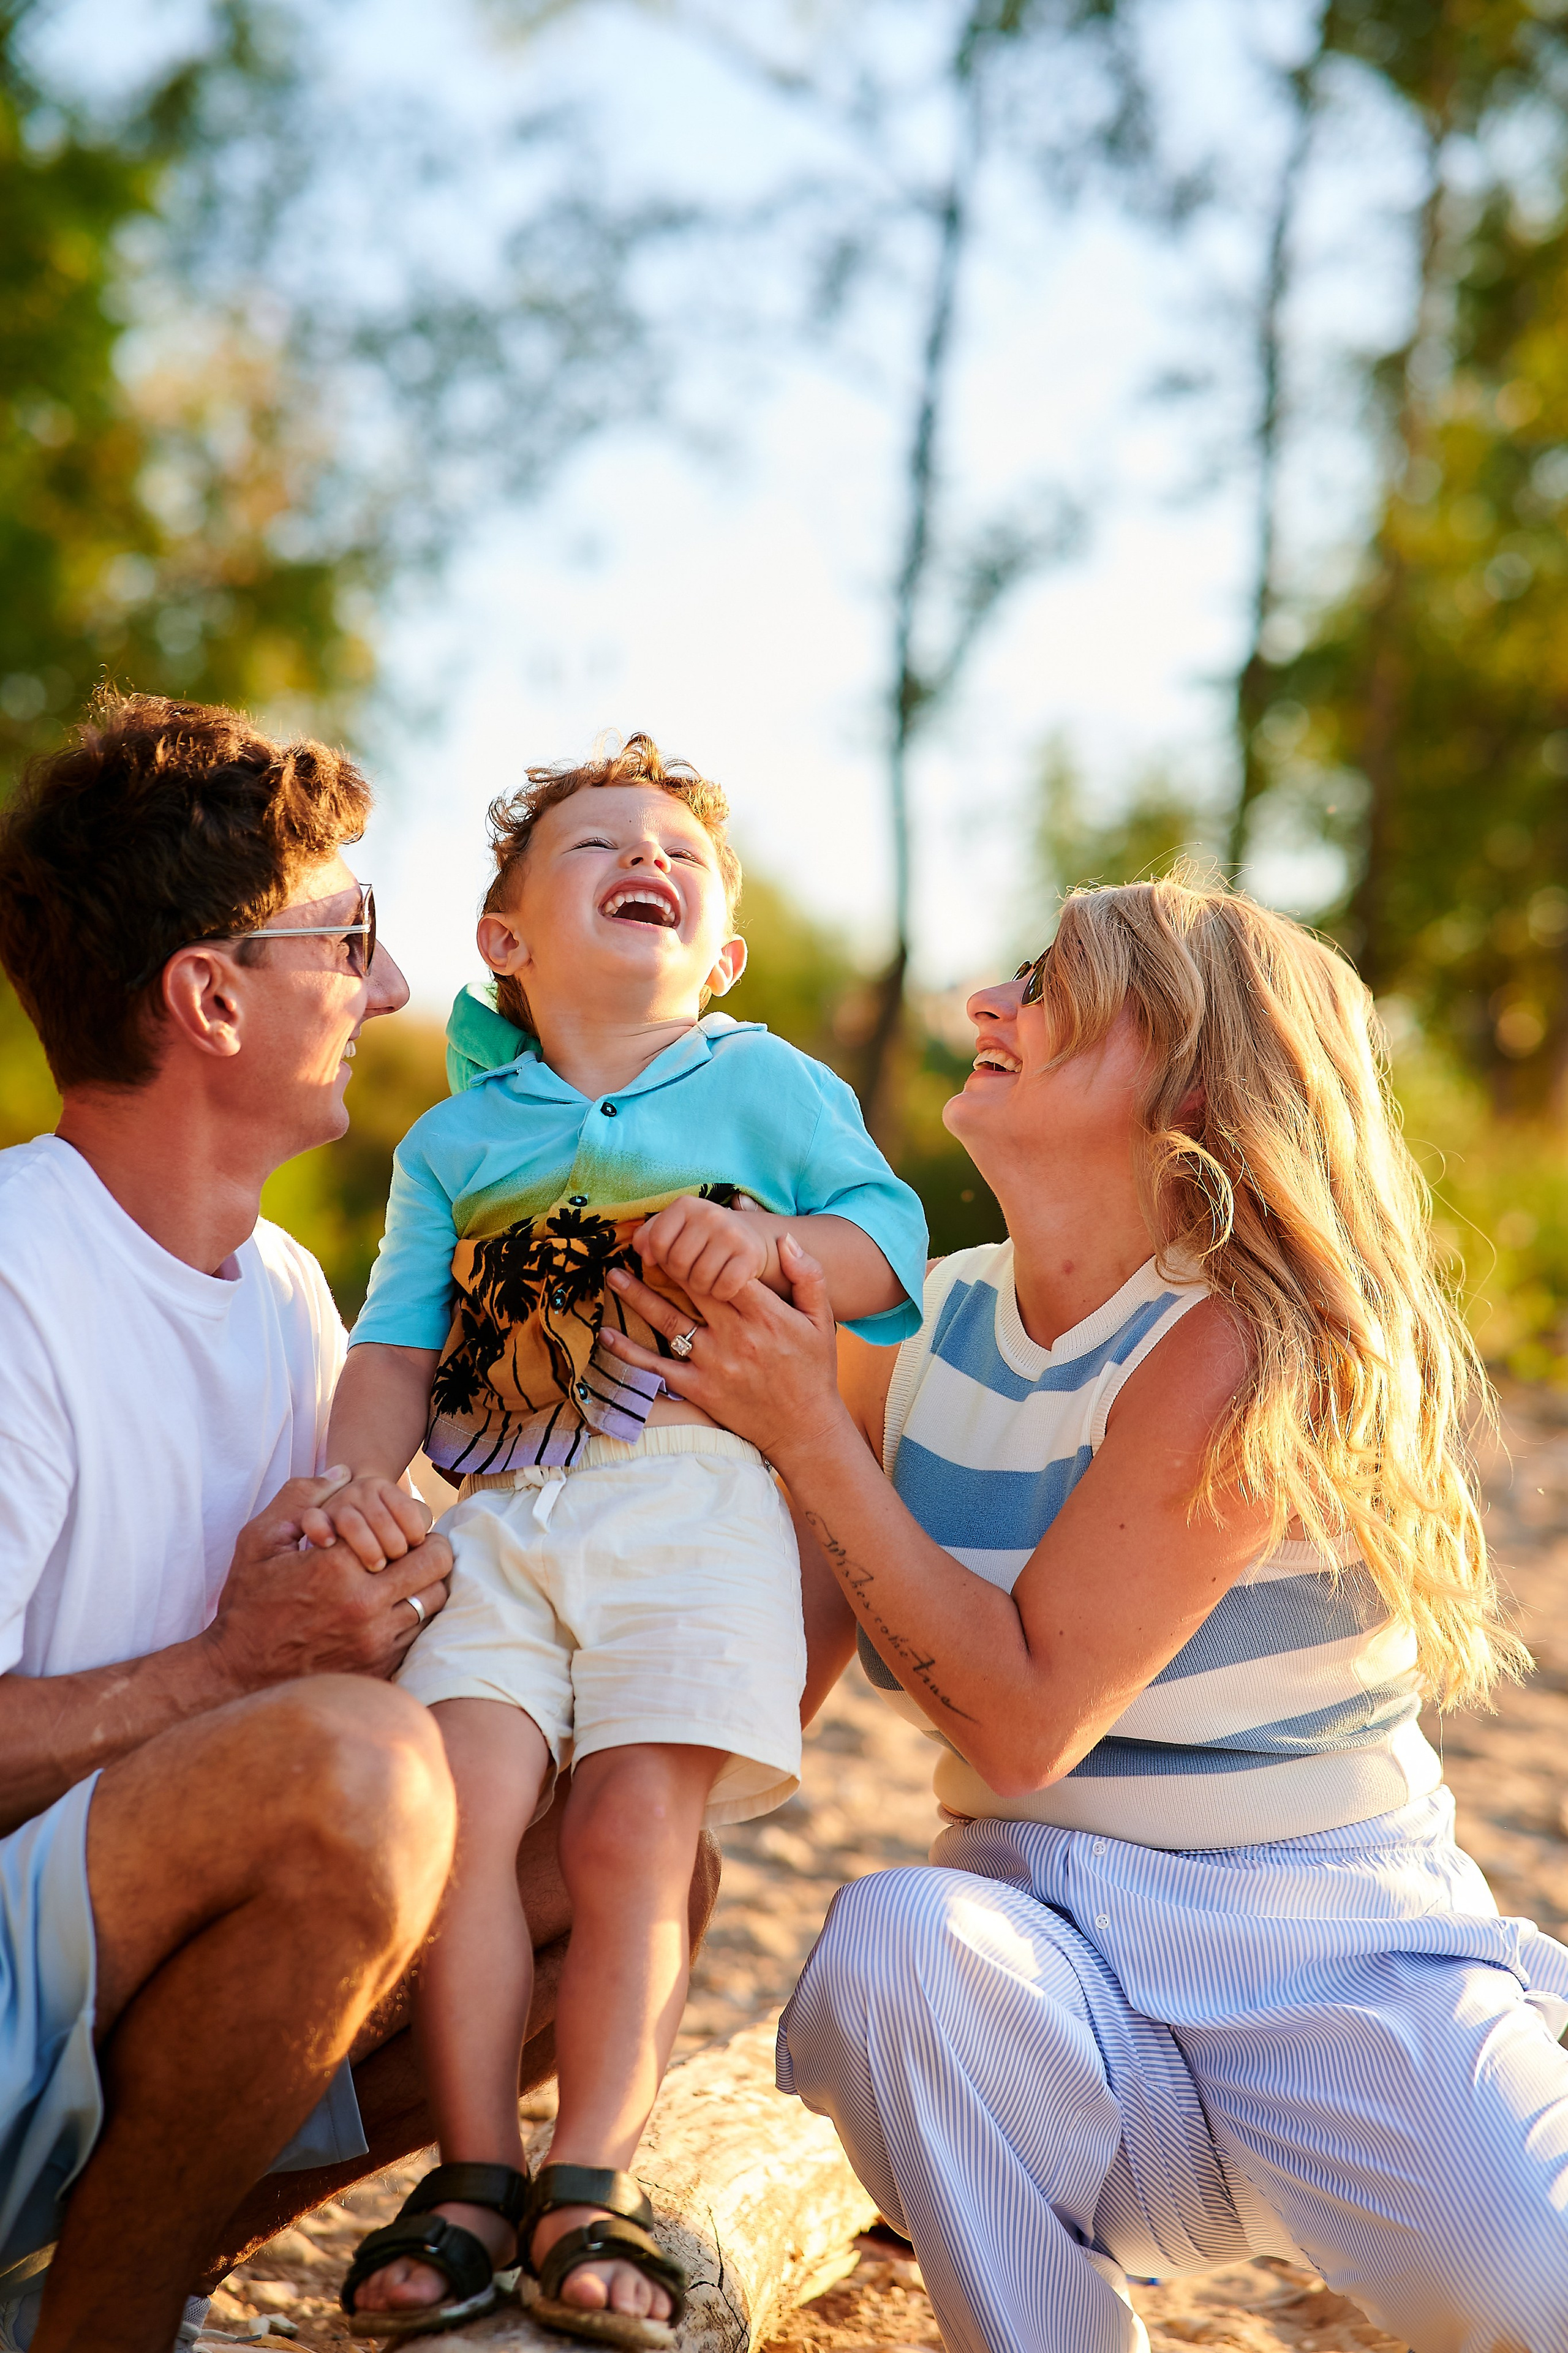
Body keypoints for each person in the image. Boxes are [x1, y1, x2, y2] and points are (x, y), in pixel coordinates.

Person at [599, 873, 1568, 2353]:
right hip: (1049, 1973)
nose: (985, 1006)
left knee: (1530, 2293)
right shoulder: (915, 1331)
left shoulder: (1247, 1345)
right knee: (891, 1946)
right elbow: (787, 1667)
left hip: (1335, 1963)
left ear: (1186, 1076)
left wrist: (804, 1433)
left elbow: (1023, 1716)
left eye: (1046, 986)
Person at [0, 692, 703, 2353]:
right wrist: (232, 1669)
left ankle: (109, 2277)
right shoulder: (15, 1271)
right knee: (355, 1773)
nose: (390, 989)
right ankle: (107, 2322)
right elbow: (262, 1704)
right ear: (209, 997)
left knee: (604, 1869)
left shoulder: (300, 1298)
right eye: (353, 935)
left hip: (109, 1986)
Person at [317, 733, 928, 2342]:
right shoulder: (455, 1142)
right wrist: (357, 1487)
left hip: (699, 1504)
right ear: (506, 941)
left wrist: (776, 1235)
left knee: (628, 1839)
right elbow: (393, 1340)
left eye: (675, 849)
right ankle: (467, 2172)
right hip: (500, 1515)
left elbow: (893, 1238)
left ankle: (591, 2168)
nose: (640, 854)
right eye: (595, 844)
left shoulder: (768, 1085)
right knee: (460, 1819)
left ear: (719, 950)